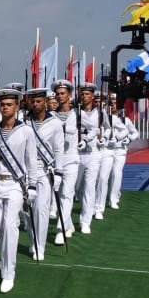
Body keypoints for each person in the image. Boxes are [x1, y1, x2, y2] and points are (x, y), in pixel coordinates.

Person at [0, 88, 39, 292]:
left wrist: (32, 186)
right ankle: (5, 256)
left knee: (10, 225)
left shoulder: (25, 131)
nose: (5, 108)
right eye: (2, 104)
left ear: (16, 107)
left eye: (9, 104)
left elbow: (31, 161)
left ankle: (9, 272)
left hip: (14, 184)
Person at [24, 88, 63, 261]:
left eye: (39, 101)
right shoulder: (23, 121)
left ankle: (40, 246)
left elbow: (58, 148)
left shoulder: (54, 123)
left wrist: (59, 172)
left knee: (42, 209)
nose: (35, 104)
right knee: (27, 211)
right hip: (26, 170)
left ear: (45, 102)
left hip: (44, 169)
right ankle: (33, 240)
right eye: (33, 101)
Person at [50, 80, 80, 246]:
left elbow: (93, 129)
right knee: (57, 194)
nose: (60, 96)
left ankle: (61, 229)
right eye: (58, 93)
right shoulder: (51, 116)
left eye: (63, 93)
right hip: (55, 160)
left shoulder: (78, 114)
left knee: (67, 193)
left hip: (72, 158)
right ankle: (67, 223)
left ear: (69, 95)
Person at [74, 83, 102, 235]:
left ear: (92, 96)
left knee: (90, 188)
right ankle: (85, 209)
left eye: (87, 94)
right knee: (77, 188)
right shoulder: (75, 112)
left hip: (93, 153)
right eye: (82, 94)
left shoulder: (101, 113)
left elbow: (103, 128)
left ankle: (86, 221)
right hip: (77, 154)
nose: (84, 97)